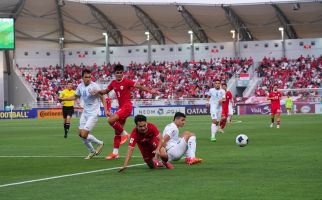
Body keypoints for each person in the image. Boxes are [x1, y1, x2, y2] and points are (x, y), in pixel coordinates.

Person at [92, 64, 159, 160]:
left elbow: (139, 86)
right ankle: (115, 153)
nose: (119, 74)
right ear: (115, 74)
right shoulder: (113, 83)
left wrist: (150, 91)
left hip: (127, 107)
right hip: (121, 108)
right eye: (117, 73)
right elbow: (105, 91)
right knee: (116, 132)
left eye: (120, 73)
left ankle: (125, 134)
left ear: (122, 73)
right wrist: (97, 91)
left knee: (110, 120)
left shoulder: (127, 81)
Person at [60, 69, 107, 159]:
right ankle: (92, 151)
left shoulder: (95, 86)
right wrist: (64, 99)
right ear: (82, 77)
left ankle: (100, 143)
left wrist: (106, 110)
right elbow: (75, 96)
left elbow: (102, 98)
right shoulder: (80, 86)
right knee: (80, 134)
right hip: (85, 112)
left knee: (84, 134)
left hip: (93, 113)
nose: (88, 78)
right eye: (86, 77)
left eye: (89, 77)